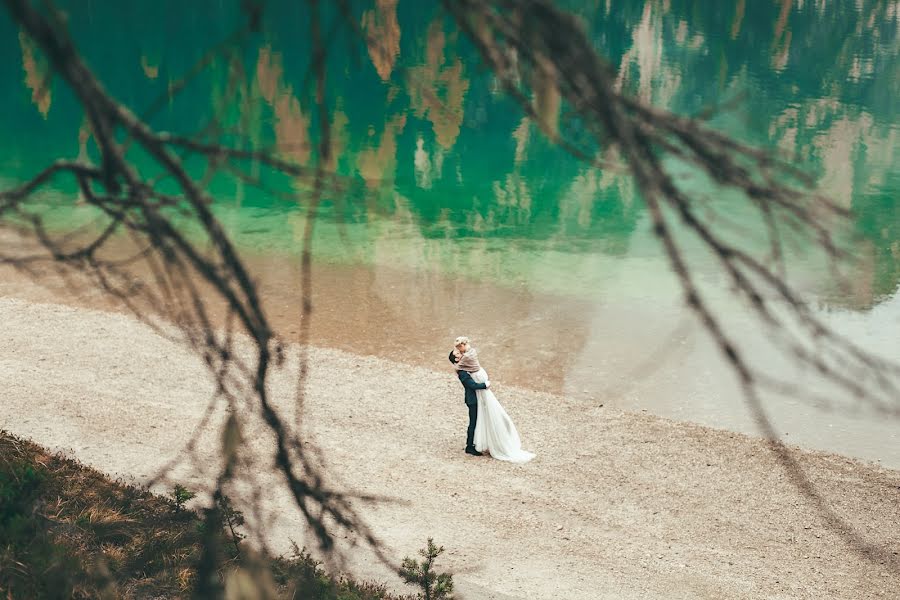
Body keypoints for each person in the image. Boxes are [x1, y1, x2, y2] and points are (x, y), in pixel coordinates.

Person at [450, 336, 535, 463]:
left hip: (479, 398)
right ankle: (470, 446)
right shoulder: (462, 372)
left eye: (459, 351)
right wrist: (485, 385)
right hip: (473, 400)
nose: (460, 352)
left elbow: (471, 353)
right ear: (457, 359)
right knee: (474, 422)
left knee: (480, 421)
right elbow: (471, 385)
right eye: (457, 353)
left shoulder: (468, 365)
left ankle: (480, 443)